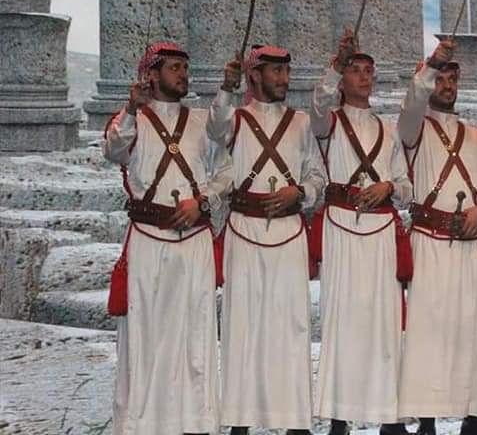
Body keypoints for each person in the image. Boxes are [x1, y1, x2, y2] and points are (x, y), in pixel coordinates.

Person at [104, 42, 231, 435]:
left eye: (184, 68)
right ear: (152, 74)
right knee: (145, 336)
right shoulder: (132, 119)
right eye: (174, 68)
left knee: (195, 335)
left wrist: (202, 202)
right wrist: (131, 108)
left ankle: (195, 423)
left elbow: (226, 172)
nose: (182, 74)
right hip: (147, 239)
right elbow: (114, 150)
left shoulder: (202, 121)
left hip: (194, 241)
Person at [208, 45, 326, 435]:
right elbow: (215, 131)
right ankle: (240, 422)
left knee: (293, 326)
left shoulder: (301, 122)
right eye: (276, 71)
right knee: (242, 326)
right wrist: (226, 89)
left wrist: (300, 192)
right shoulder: (236, 119)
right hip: (244, 231)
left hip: (289, 233)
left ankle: (296, 422)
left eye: (286, 71)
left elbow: (317, 176)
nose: (284, 79)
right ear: (255, 75)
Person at [395, 39, 477, 435]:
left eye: (452, 79)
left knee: (475, 327)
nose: (447, 85)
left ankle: (476, 417)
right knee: (429, 329)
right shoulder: (414, 128)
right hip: (430, 240)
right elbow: (411, 106)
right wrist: (430, 65)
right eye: (440, 79)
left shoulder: (473, 135)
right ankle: (426, 420)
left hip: (471, 240)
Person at [311, 30, 413, 435]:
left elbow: (406, 186)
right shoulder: (328, 123)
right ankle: (339, 416)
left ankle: (390, 416)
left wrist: (388, 186)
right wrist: (335, 65)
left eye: (368, 70)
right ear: (343, 78)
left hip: (382, 229)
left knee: (384, 321)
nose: (364, 76)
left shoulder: (388, 130)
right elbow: (318, 104)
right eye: (355, 70)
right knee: (342, 319)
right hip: (341, 226)